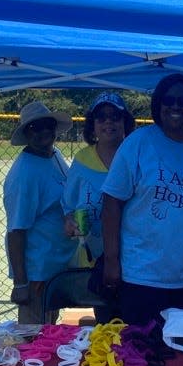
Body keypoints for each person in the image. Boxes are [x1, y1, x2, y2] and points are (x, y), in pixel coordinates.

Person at [101, 74, 183, 327]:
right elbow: (112, 201)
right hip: (139, 274)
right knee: (139, 351)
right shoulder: (138, 143)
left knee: (174, 353)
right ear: (158, 104)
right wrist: (112, 260)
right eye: (169, 100)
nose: (176, 106)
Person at [3, 101, 77, 324]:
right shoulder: (24, 174)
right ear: (26, 133)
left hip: (56, 268)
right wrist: (21, 284)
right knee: (33, 342)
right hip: (37, 274)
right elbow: (16, 231)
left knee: (51, 336)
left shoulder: (54, 155)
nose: (44, 132)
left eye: (47, 125)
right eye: (35, 128)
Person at [63, 92, 135, 263]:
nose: (108, 122)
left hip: (130, 258)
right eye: (101, 117)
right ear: (92, 124)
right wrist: (70, 224)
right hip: (90, 259)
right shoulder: (82, 160)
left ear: (125, 122)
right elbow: (69, 207)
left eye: (115, 116)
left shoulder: (135, 158)